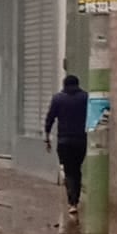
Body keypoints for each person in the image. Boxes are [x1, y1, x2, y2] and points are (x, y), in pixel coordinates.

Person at [44, 73, 89, 215]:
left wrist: (47, 136)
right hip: (81, 140)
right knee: (77, 169)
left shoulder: (58, 99)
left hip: (64, 141)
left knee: (68, 171)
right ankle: (76, 198)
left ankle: (72, 202)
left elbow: (50, 118)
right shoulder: (85, 98)